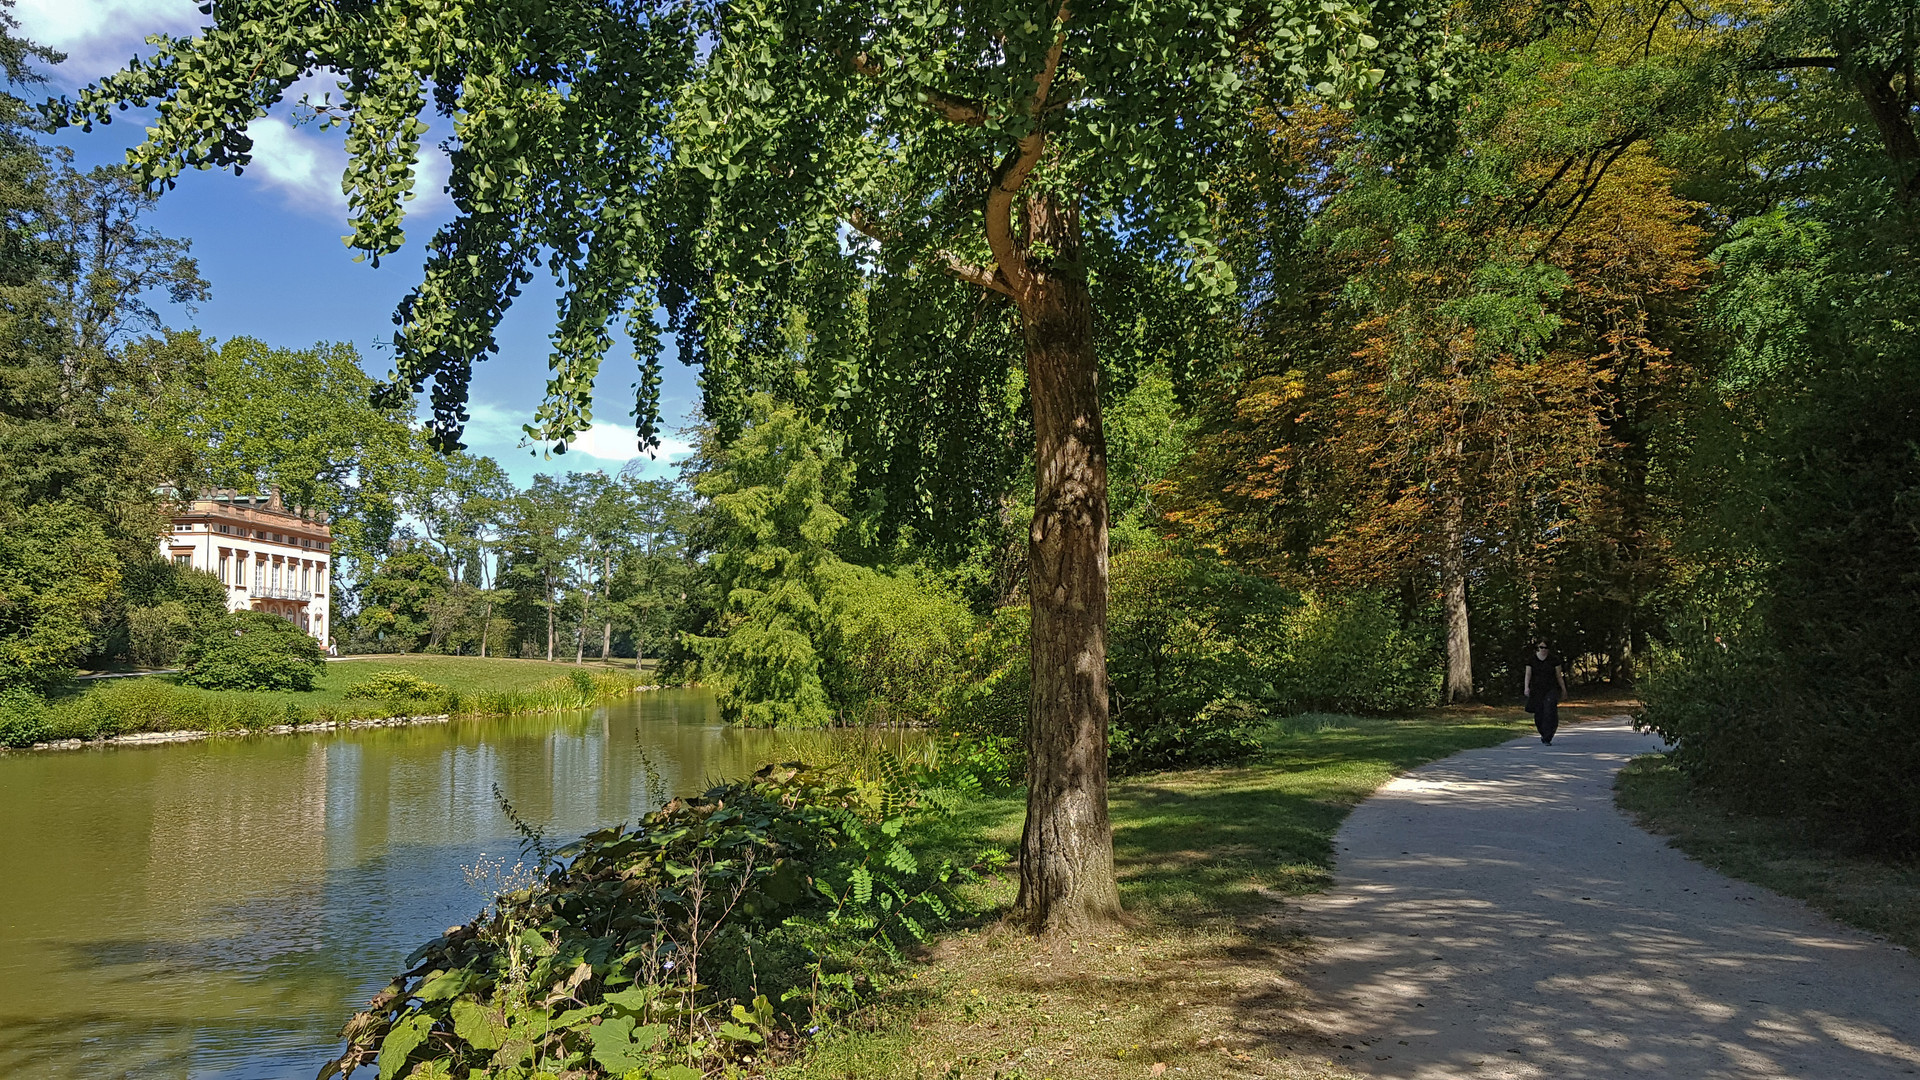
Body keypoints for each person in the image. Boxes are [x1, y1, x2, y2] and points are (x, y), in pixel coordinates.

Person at [1523, 642, 1567, 744]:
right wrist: (1526, 687)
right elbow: (1528, 675)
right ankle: (1543, 733)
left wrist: (1563, 689)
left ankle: (1548, 736)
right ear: (1538, 648)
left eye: (1546, 647)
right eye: (1541, 647)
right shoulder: (1532, 660)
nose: (1544, 649)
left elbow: (1559, 676)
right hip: (1536, 689)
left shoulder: (1554, 660)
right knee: (1539, 714)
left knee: (1550, 711)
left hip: (1551, 689)